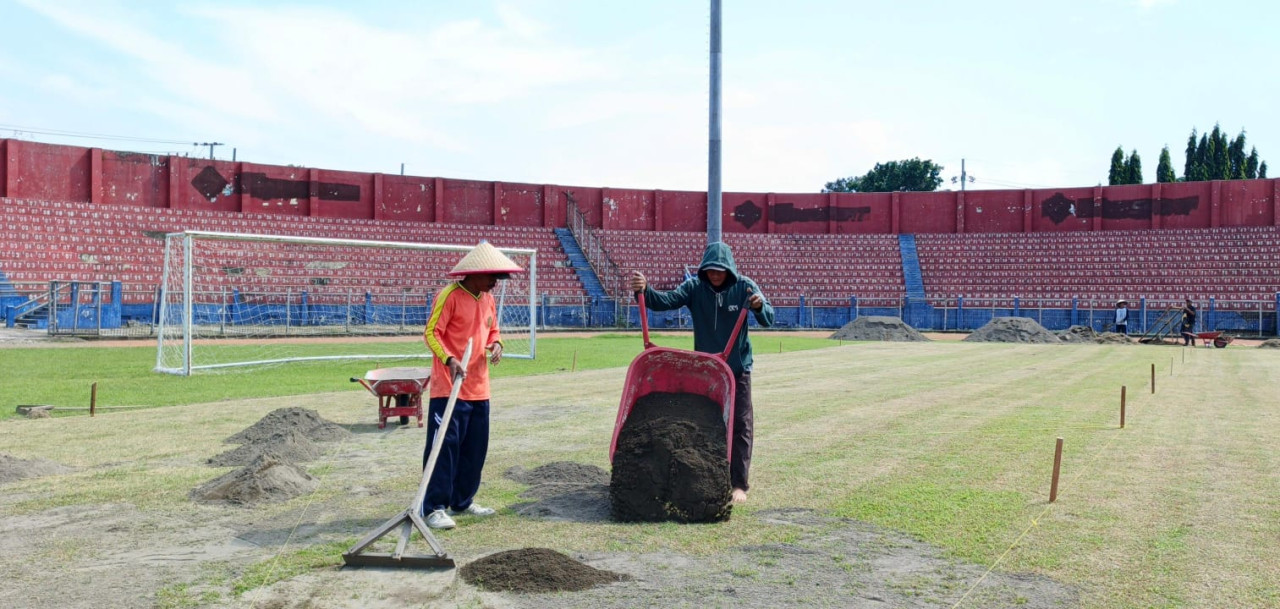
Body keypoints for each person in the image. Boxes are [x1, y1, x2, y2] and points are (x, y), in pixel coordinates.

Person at [628, 241, 774, 505]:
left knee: (741, 425)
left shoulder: (745, 287)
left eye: (720, 270)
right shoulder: (694, 288)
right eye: (710, 270)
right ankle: (700, 476)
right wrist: (645, 290)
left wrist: (758, 305)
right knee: (704, 422)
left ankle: (739, 484)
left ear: (729, 269)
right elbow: (666, 301)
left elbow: (769, 317)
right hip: (707, 371)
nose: (715, 275)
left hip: (737, 369)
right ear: (704, 269)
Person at [420, 241, 523, 529]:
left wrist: (497, 343)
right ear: (476, 273)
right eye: (493, 277)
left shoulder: (487, 299)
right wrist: (449, 359)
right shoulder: (450, 295)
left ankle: (463, 501)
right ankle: (434, 507)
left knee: (475, 448)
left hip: (480, 387)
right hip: (449, 388)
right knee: (444, 447)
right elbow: (431, 333)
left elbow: (493, 328)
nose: (496, 283)